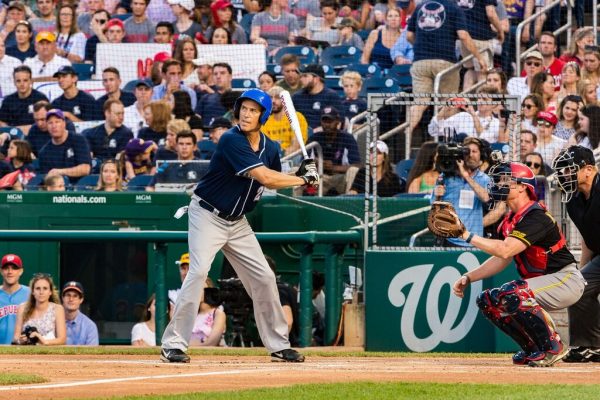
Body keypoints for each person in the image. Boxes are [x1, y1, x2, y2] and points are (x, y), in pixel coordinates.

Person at [160, 88, 315, 363]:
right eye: (243, 108)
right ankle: (173, 344)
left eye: (253, 110)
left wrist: (301, 175)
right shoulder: (232, 140)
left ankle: (279, 345)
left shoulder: (271, 148)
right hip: (208, 214)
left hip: (238, 221)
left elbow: (276, 178)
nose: (246, 113)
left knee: (265, 278)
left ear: (263, 116)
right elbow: (265, 178)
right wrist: (302, 179)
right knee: (197, 274)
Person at [452, 161, 585, 367]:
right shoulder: (510, 220)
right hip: (545, 283)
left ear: (523, 186)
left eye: (506, 180)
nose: (498, 184)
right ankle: (533, 348)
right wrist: (469, 277)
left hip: (566, 280)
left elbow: (505, 249)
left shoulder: (535, 216)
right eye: (498, 180)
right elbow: (502, 257)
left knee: (513, 293)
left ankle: (553, 347)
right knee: (489, 299)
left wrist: (466, 235)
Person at [406, 0, 487, 132]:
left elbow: (409, 35)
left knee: (420, 102)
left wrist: (423, 47)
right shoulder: (454, 8)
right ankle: (444, 142)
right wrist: (479, 57)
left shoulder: (420, 7)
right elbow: (463, 36)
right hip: (445, 62)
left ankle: (407, 134)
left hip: (420, 62)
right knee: (448, 102)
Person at [552, 146, 600, 362]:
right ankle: (588, 346)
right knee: (576, 288)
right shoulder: (573, 200)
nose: (564, 175)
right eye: (562, 171)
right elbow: (588, 237)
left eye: (569, 170)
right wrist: (580, 272)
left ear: (589, 170)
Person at [432, 137, 490, 247]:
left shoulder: (484, 179)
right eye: (468, 151)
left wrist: (466, 176)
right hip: (449, 239)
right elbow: (434, 207)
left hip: (474, 240)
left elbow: (486, 198)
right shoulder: (445, 177)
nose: (471, 155)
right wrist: (437, 197)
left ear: (480, 155)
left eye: (474, 151)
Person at [306, 106, 360, 196]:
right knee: (296, 170)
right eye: (324, 121)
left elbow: (357, 165)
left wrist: (333, 168)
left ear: (337, 121)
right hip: (320, 178)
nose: (327, 124)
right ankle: (297, 204)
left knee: (353, 170)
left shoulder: (347, 138)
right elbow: (303, 162)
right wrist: (316, 163)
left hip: (340, 178)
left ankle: (350, 202)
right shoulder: (314, 138)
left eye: (330, 121)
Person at [13, 274, 67, 345]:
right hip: (27, 352)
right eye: (38, 288)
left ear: (50, 292)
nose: (41, 292)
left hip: (49, 352)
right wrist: (20, 340)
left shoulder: (57, 309)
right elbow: (15, 338)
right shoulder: (22, 308)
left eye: (45, 288)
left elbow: (62, 339)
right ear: (33, 291)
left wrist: (45, 342)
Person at [38, 109, 92, 181]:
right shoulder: (44, 152)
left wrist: (60, 172)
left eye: (57, 122)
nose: (54, 126)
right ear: (47, 126)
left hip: (81, 188)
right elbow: (46, 179)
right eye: (50, 123)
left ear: (64, 123)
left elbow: (85, 169)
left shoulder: (79, 140)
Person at [292, 64, 342, 129]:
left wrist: (321, 130)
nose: (301, 79)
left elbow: (339, 123)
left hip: (324, 136)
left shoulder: (332, 96)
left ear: (316, 79)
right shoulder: (296, 97)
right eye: (301, 76)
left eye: (305, 76)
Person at [262, 86, 308, 156]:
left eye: (277, 97)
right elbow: (264, 145)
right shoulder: (265, 121)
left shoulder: (296, 117)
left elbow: (296, 145)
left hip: (293, 156)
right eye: (270, 98)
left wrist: (283, 159)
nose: (273, 101)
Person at [0, 65, 48, 131]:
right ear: (14, 82)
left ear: (31, 81)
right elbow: (2, 122)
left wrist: (18, 130)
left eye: (25, 80)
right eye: (18, 81)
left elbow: (46, 122)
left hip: (35, 135)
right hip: (14, 137)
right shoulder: (8, 101)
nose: (22, 84)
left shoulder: (40, 98)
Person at [0, 254, 30, 344]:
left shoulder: (30, 294)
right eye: (6, 268)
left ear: (21, 271)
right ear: (1, 271)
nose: (10, 271)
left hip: (24, 350)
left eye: (14, 268)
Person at [61, 281, 99, 345]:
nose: (71, 299)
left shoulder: (90, 326)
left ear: (81, 300)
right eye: (68, 295)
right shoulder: (53, 322)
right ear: (62, 298)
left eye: (75, 296)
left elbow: (92, 353)